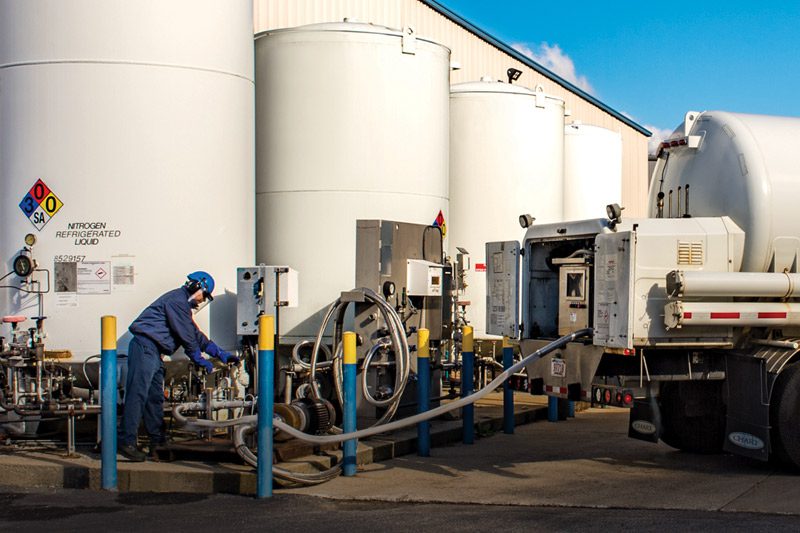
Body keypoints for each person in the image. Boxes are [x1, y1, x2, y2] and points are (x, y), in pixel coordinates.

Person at [117, 271, 239, 462]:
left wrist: (222, 354)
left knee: (154, 399)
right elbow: (187, 337)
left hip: (154, 353)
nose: (202, 300)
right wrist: (199, 359)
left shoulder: (182, 306)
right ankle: (126, 441)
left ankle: (157, 443)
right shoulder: (177, 301)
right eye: (204, 295)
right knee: (138, 394)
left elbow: (196, 336)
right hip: (145, 347)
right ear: (197, 287)